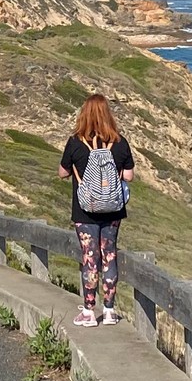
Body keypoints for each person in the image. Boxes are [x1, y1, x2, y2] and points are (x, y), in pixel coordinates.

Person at [58, 94, 135, 328]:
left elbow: (62, 173)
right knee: (109, 256)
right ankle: (110, 311)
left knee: (90, 259)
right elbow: (129, 176)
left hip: (85, 213)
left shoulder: (75, 142)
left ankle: (90, 312)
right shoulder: (120, 143)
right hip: (112, 212)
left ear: (84, 114)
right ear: (108, 115)